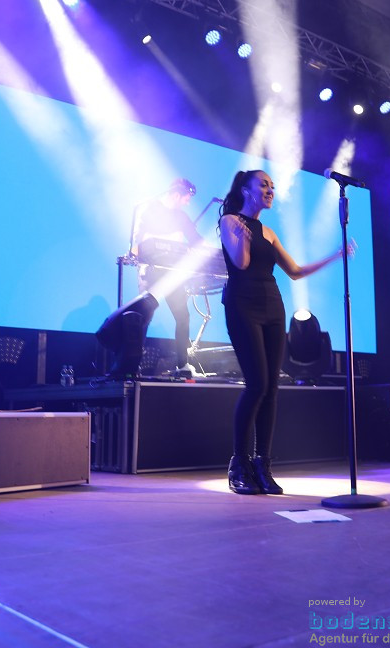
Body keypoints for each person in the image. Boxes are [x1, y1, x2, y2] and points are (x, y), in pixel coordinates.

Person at [218, 169, 351, 495]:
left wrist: (336, 255)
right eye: (263, 185)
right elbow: (242, 263)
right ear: (246, 190)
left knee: (272, 389)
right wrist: (246, 232)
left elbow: (294, 272)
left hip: (272, 308)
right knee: (257, 385)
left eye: (272, 186)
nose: (270, 190)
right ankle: (239, 463)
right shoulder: (230, 222)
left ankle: (263, 465)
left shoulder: (269, 231)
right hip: (242, 306)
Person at [132, 178, 202, 371]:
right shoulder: (150, 209)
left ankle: (183, 364)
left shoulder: (182, 217)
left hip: (173, 273)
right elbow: (139, 241)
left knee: (183, 316)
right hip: (151, 270)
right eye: (187, 198)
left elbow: (196, 240)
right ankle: (132, 363)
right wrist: (173, 239)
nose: (188, 202)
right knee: (144, 315)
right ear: (177, 194)